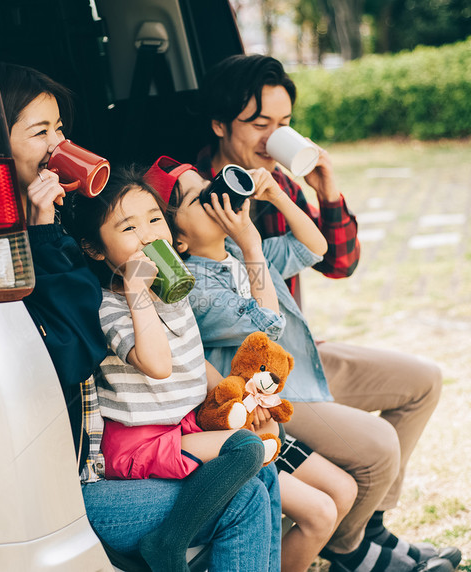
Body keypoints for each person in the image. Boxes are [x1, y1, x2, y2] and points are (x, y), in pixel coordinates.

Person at [0, 62, 280, 572]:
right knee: (247, 489)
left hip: (144, 444)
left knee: (260, 476)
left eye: (60, 130)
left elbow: (229, 347)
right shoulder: (6, 241)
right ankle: (166, 545)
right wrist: (47, 234)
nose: (58, 145)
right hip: (91, 471)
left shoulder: (58, 238)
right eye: (40, 132)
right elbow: (80, 353)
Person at [194, 54, 461, 571]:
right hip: (252, 376)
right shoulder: (201, 199)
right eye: (260, 125)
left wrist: (325, 186)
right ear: (220, 124)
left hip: (300, 355)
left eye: (285, 125)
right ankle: (350, 549)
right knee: (378, 448)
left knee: (422, 382)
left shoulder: (280, 183)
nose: (273, 139)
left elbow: (340, 262)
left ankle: (367, 531)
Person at [144, 156, 360, 572]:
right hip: (231, 426)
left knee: (343, 492)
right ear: (180, 240)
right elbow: (269, 329)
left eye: (211, 188)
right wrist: (251, 245)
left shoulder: (240, 255)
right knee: (319, 513)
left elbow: (315, 247)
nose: (215, 200)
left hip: (259, 418)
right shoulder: (195, 285)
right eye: (199, 199)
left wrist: (276, 194)